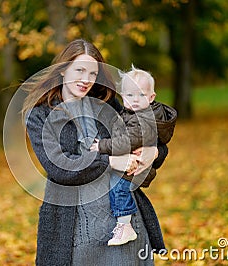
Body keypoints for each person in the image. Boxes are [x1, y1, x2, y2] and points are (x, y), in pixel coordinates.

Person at [22, 39, 169, 265]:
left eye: (93, 73)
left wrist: (155, 153)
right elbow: (59, 167)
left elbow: (144, 134)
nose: (86, 79)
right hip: (74, 229)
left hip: (123, 222)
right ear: (62, 70)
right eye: (79, 70)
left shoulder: (108, 106)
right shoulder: (39, 116)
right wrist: (110, 161)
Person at [90, 65, 177, 246]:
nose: (135, 100)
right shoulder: (132, 113)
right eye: (130, 95)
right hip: (133, 164)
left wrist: (101, 146)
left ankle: (125, 225)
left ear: (152, 97)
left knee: (119, 187)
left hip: (134, 167)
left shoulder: (142, 118)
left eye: (141, 95)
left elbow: (126, 142)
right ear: (123, 96)